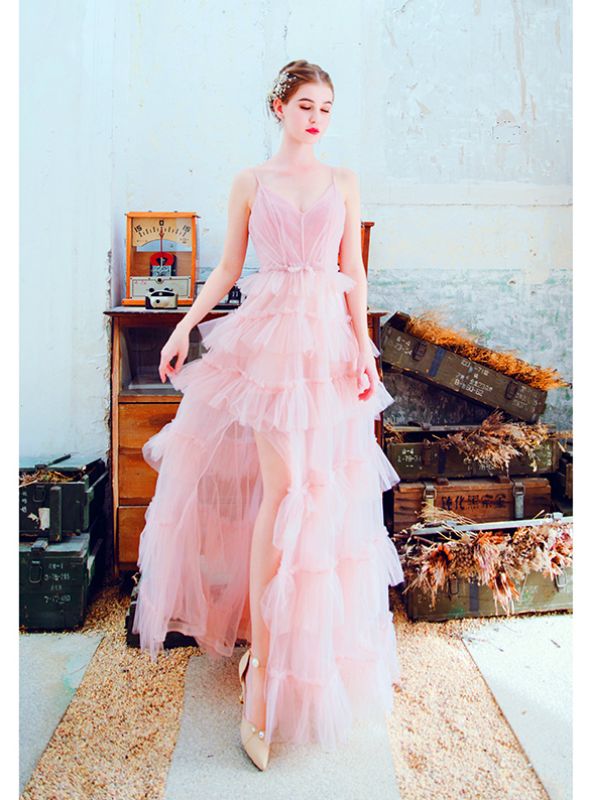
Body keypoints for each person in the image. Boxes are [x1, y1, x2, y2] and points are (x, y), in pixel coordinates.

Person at [132, 59, 404, 771]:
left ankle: (297, 650)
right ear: (279, 107)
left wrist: (365, 347)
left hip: (330, 349)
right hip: (271, 342)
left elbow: (355, 273)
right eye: (305, 104)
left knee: (328, 495)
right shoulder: (251, 182)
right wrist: (184, 326)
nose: (317, 117)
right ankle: (262, 682)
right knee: (284, 494)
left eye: (327, 107)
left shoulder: (343, 180)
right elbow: (227, 270)